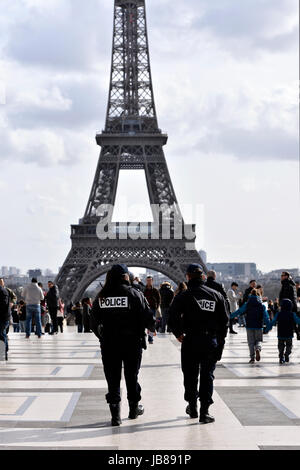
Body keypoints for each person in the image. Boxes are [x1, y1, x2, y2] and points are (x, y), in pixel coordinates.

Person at [90, 264, 155, 426]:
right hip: (132, 342)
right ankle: (133, 410)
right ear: (126, 276)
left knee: (112, 379)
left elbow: (92, 322)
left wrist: (102, 336)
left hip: (109, 343)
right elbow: (149, 319)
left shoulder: (101, 297)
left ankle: (115, 416)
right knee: (132, 376)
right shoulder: (135, 294)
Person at [168, 264, 228, 424]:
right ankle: (205, 411)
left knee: (190, 374)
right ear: (202, 276)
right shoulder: (216, 295)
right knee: (207, 375)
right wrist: (220, 343)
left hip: (190, 339)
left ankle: (192, 406)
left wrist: (178, 333)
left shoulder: (183, 296)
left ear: (187, 277)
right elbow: (224, 322)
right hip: (210, 340)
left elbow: (171, 315)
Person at [231, 289, 271, 363]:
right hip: (259, 325)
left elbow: (239, 311)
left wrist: (230, 316)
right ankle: (258, 349)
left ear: (250, 295)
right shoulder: (262, 305)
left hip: (249, 325)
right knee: (259, 340)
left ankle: (252, 358)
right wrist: (268, 326)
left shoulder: (247, 304)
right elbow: (266, 316)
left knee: (251, 342)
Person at [267, 299, 300, 364]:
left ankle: (281, 356)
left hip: (281, 333)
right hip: (289, 333)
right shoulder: (292, 314)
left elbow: (273, 321)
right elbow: (298, 321)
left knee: (280, 346)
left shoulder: (278, 314)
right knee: (289, 346)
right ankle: (287, 354)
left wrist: (268, 327)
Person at [144, 275, 161, 344]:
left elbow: (159, 299)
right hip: (145, 308)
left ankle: (150, 339)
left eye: (150, 280)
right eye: (148, 280)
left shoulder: (155, 290)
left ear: (152, 281)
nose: (149, 282)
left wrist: (157, 306)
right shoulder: (143, 289)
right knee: (144, 323)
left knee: (151, 324)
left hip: (153, 308)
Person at [0, 278, 11, 360]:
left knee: (2, 334)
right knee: (2, 334)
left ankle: (4, 353)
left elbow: (3, 305)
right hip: (4, 316)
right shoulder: (4, 291)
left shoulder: (3, 291)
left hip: (2, 317)